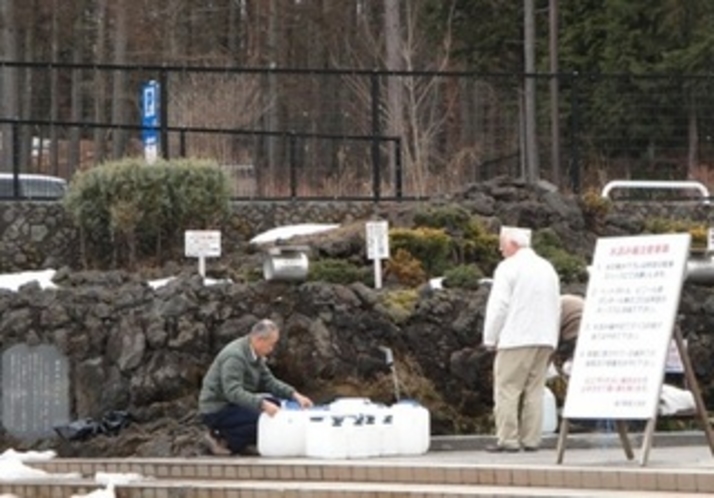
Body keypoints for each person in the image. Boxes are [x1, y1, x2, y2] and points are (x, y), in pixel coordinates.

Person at [482, 227, 560, 453]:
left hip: (516, 337)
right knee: (535, 390)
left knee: (507, 388)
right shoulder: (547, 267)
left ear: (513, 245)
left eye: (502, 245)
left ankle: (508, 439)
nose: (500, 249)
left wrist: (490, 337)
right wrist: (552, 337)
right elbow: (556, 305)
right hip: (544, 338)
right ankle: (531, 439)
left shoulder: (508, 267)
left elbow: (499, 306)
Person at [198, 318, 313, 455]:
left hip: (234, 404)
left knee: (275, 404)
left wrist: (294, 395)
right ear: (259, 340)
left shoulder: (255, 355)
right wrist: (262, 404)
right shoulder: (235, 357)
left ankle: (241, 440)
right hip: (218, 408)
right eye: (271, 345)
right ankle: (221, 438)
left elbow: (270, 381)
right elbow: (233, 392)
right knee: (263, 418)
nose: (271, 349)